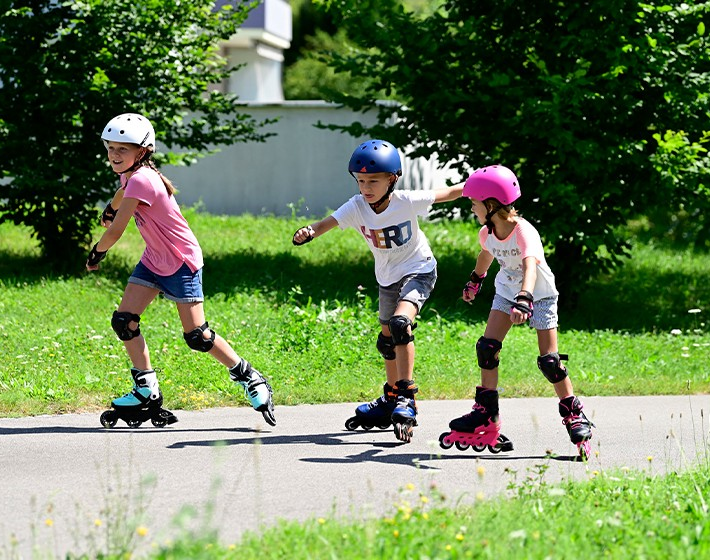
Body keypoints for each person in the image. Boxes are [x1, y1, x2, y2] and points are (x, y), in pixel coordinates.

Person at [86, 113, 275, 428]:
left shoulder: (143, 179)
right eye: (111, 148)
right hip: (155, 258)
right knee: (124, 321)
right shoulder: (133, 175)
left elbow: (117, 231)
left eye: (123, 149)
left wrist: (97, 252)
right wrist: (111, 205)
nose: (115, 155)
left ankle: (249, 377)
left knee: (197, 336)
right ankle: (146, 390)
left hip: (180, 261)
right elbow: (123, 192)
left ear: (142, 152)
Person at [292, 139, 462, 443]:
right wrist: (309, 231)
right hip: (387, 278)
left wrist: (476, 185)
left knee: (400, 325)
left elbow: (447, 193)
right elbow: (327, 222)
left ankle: (406, 396)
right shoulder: (357, 206)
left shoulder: (406, 201)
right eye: (361, 180)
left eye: (373, 180)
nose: (366, 187)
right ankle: (390, 398)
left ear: (392, 179)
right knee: (386, 343)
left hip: (419, 269)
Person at [439, 165, 594, 458]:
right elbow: (486, 254)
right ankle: (487, 415)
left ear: (491, 204)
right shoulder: (487, 232)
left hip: (540, 295)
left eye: (474, 203)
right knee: (487, 348)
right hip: (506, 293)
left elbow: (529, 265)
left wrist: (525, 298)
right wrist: (476, 280)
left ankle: (574, 413)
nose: (471, 208)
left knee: (549, 361)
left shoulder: (525, 232)